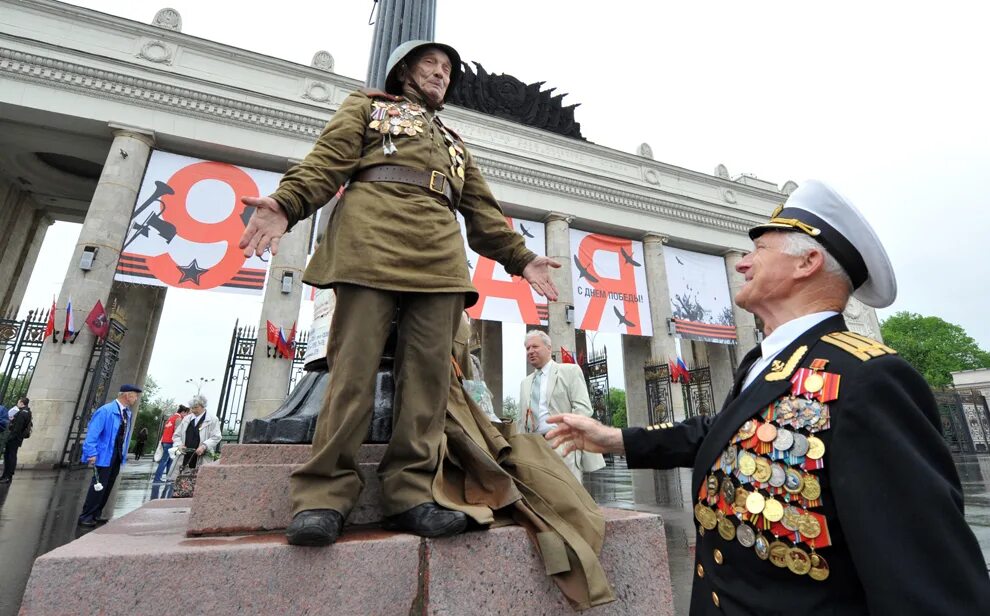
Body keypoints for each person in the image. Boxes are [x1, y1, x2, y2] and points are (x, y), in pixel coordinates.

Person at [547, 180, 990, 614]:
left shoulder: (868, 378)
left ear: (807, 263)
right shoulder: (766, 363)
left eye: (758, 249)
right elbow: (722, 435)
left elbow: (928, 585)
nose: (741, 263)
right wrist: (614, 439)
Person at [238, 39, 559, 547]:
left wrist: (522, 258)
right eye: (430, 63)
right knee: (352, 372)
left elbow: (483, 213)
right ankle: (323, 496)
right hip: (371, 241)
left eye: (447, 68)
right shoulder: (366, 107)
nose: (441, 73)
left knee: (429, 379)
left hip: (440, 257)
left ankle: (411, 494)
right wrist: (287, 203)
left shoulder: (455, 143)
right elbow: (326, 163)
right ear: (404, 70)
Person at [518, 331, 605, 481]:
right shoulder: (525, 383)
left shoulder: (569, 371)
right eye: (527, 348)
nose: (530, 351)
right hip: (534, 447)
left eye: (535, 346)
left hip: (561, 444)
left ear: (548, 348)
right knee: (540, 492)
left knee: (568, 492)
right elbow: (521, 420)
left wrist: (566, 434)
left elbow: (583, 408)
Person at [78, 385, 140, 526]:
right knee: (98, 485)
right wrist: (91, 452)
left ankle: (96, 513)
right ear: (127, 395)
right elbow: (93, 433)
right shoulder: (106, 410)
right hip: (104, 453)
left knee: (108, 485)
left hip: (116, 454)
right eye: (135, 395)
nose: (136, 398)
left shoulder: (127, 413)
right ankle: (86, 516)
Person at [171, 395, 222, 470]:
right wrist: (179, 445)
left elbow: (216, 437)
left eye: (196, 407)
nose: (193, 410)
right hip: (185, 456)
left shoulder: (213, 420)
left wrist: (204, 446)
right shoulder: (186, 419)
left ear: (203, 406)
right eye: (192, 408)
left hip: (201, 457)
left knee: (199, 475)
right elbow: (176, 435)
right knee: (182, 476)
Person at [153, 404, 190, 483]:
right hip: (170, 442)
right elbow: (177, 432)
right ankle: (157, 479)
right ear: (183, 412)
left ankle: (169, 478)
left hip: (165, 441)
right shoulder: (178, 418)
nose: (186, 415)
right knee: (165, 461)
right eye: (186, 413)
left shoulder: (171, 417)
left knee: (169, 460)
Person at [0, 397, 31, 483]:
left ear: (22, 403)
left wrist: (9, 438)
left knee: (10, 457)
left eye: (18, 402)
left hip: (14, 439)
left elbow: (17, 428)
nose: (17, 404)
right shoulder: (27, 412)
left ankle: (7, 476)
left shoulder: (22, 413)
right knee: (9, 456)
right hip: (17, 438)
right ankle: (5, 475)